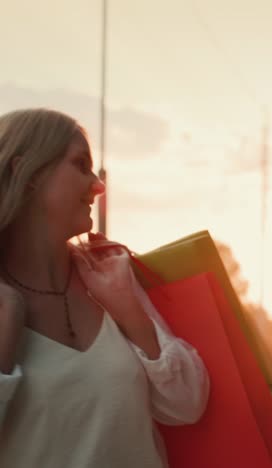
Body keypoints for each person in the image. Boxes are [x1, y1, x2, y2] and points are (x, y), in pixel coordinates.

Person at [0, 108, 210, 467]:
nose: (98, 187)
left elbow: (186, 405)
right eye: (81, 165)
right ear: (27, 173)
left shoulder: (108, 277)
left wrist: (130, 313)